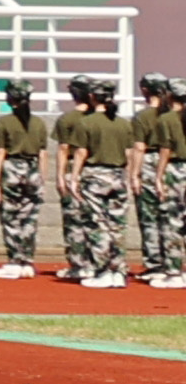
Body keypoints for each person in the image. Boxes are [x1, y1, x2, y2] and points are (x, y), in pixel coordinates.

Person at [59, 78, 135, 287]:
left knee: (96, 224)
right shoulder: (123, 124)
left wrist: (74, 178)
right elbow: (129, 153)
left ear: (92, 96)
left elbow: (81, 153)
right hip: (118, 176)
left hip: (95, 177)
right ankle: (118, 271)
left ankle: (102, 271)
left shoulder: (86, 123)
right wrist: (129, 177)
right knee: (117, 227)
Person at [0, 83, 50, 278]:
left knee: (11, 218)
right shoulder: (38, 123)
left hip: (11, 170)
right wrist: (42, 179)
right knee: (30, 219)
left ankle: (15, 260)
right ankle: (27, 261)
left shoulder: (2, 123)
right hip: (33, 170)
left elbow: (0, 152)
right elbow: (43, 153)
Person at [141, 77, 186, 287]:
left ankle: (175, 272)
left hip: (176, 170)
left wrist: (158, 177)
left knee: (173, 224)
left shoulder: (166, 119)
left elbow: (165, 150)